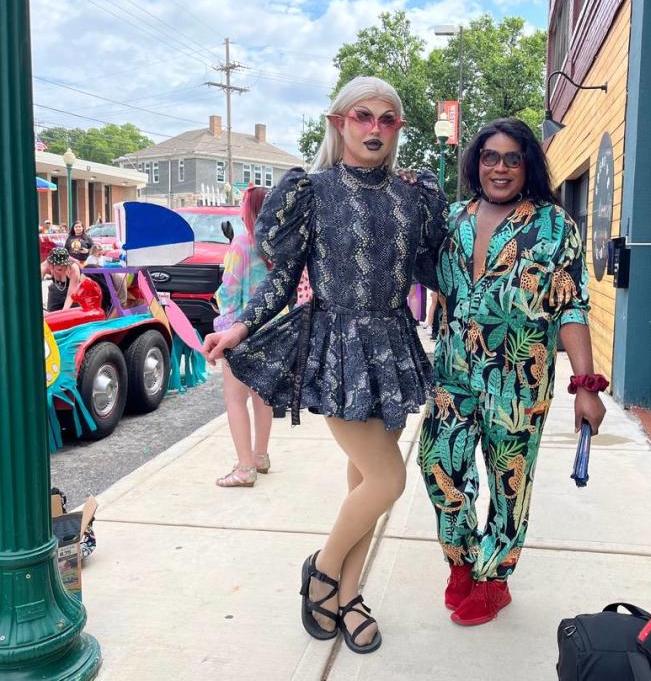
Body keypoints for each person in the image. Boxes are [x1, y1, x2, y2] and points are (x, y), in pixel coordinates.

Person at [202, 76, 447, 654]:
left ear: (397, 131)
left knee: (366, 478)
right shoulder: (310, 190)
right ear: (339, 123)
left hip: (393, 345)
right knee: (389, 478)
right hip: (337, 347)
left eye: (388, 120)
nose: (375, 128)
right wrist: (240, 326)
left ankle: (351, 595)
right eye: (363, 116)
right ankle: (324, 568)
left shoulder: (415, 195)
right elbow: (283, 281)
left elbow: (437, 269)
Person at [418, 118, 607, 626]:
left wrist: (585, 387)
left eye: (512, 158)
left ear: (527, 166)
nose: (499, 168)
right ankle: (461, 559)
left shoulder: (554, 226)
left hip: (519, 377)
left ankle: (494, 578)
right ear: (476, 162)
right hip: (454, 370)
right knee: (437, 465)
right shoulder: (454, 217)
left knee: (508, 481)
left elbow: (571, 308)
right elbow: (424, 274)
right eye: (489, 157)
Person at [213, 186, 274, 486]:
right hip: (270, 330)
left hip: (239, 330)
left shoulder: (241, 243)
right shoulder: (276, 245)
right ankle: (260, 456)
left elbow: (230, 290)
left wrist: (221, 329)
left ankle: (245, 468)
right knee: (262, 396)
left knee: (235, 399)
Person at [40, 247, 82, 312]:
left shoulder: (73, 268)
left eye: (63, 264)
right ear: (51, 263)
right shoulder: (44, 266)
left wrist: (64, 312)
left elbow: (71, 293)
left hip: (73, 293)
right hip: (55, 291)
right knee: (52, 316)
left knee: (71, 315)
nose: (60, 266)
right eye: (57, 263)